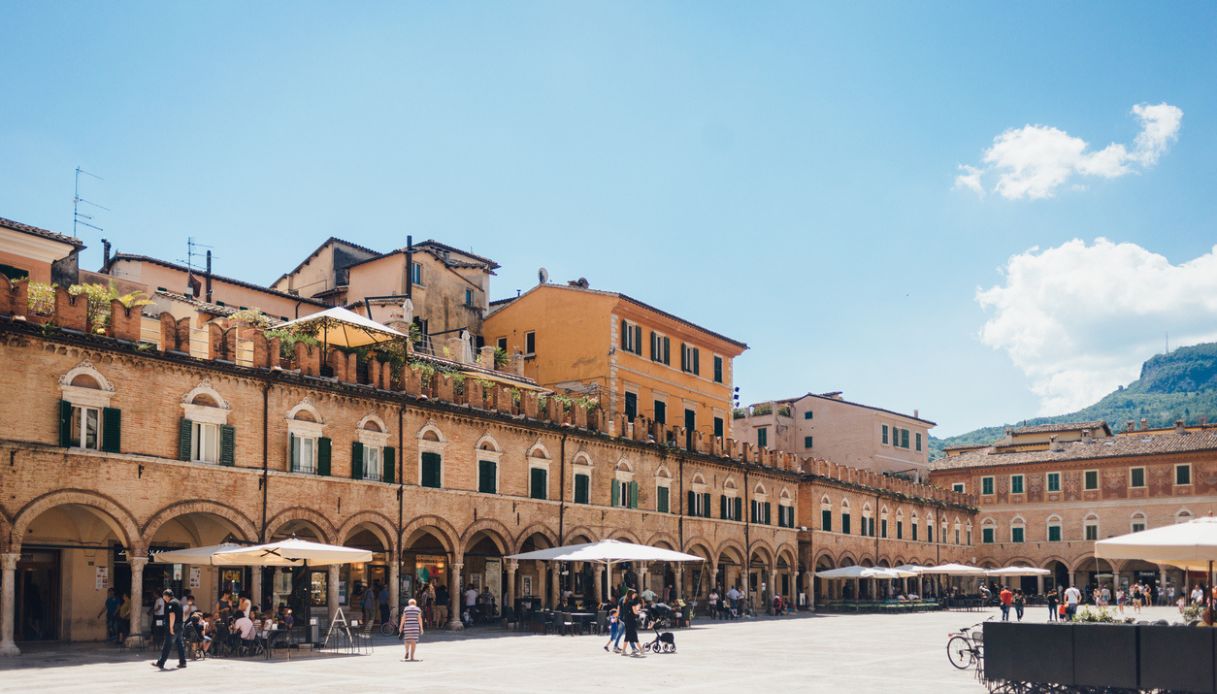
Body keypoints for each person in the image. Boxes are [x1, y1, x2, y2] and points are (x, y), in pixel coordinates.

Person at [151, 589, 186, 670]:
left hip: (173, 626)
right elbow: (183, 614)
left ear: (166, 596)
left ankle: (161, 663)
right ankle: (183, 662)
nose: (163, 598)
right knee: (180, 644)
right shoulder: (179, 602)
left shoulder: (171, 603)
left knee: (167, 644)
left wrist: (171, 627)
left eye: (164, 596)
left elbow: (172, 615)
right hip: (180, 625)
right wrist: (182, 623)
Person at [620, 590, 644, 657]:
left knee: (629, 635)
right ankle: (641, 649)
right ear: (631, 595)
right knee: (633, 635)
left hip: (626, 620)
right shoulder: (632, 602)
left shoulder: (624, 601)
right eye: (634, 594)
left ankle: (624, 651)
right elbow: (635, 612)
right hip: (631, 620)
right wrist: (640, 611)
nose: (634, 596)